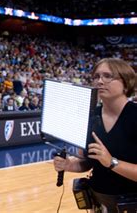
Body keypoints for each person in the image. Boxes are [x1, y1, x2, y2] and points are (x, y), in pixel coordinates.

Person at [53, 58, 137, 213]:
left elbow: (107, 162)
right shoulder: (89, 118)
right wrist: (70, 165)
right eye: (96, 76)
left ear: (126, 83)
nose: (100, 81)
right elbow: (87, 162)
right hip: (99, 202)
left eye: (107, 76)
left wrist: (112, 162)